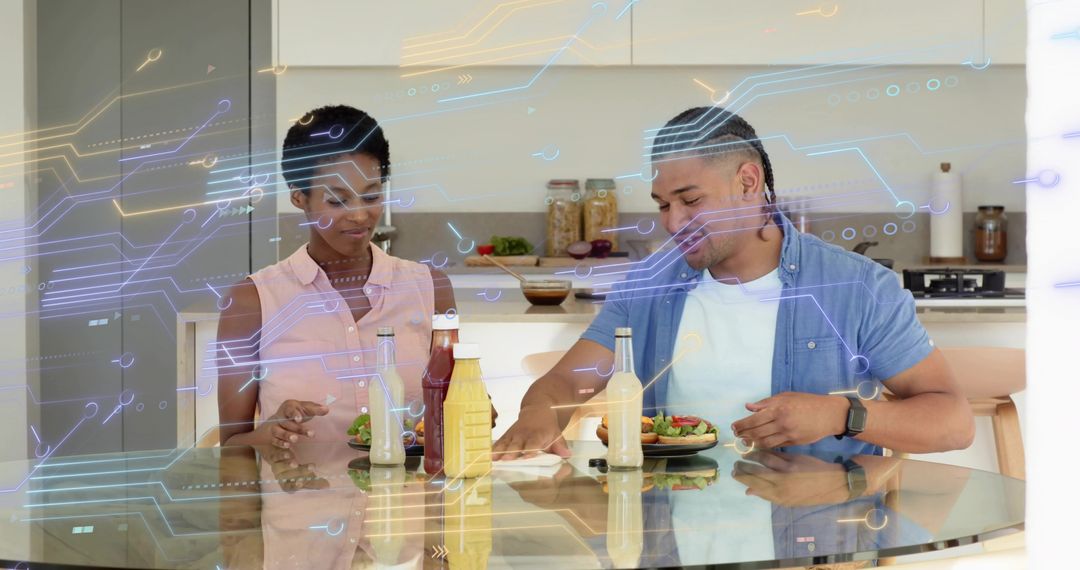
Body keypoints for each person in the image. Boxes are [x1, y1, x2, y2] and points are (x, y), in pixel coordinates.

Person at [493, 106, 974, 460]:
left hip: (817, 540)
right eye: (662, 205)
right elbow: (566, 381)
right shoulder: (647, 286)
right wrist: (539, 414)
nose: (673, 222)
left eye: (690, 200)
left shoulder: (856, 287)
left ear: (748, 181)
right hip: (669, 541)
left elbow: (953, 423)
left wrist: (840, 415)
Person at [215, 104, 455, 448]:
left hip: (406, 485)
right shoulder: (252, 302)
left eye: (371, 196)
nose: (359, 215)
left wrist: (469, 410)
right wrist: (268, 435)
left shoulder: (430, 288)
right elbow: (231, 446)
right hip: (299, 484)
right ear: (299, 197)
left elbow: (452, 409)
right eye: (337, 201)